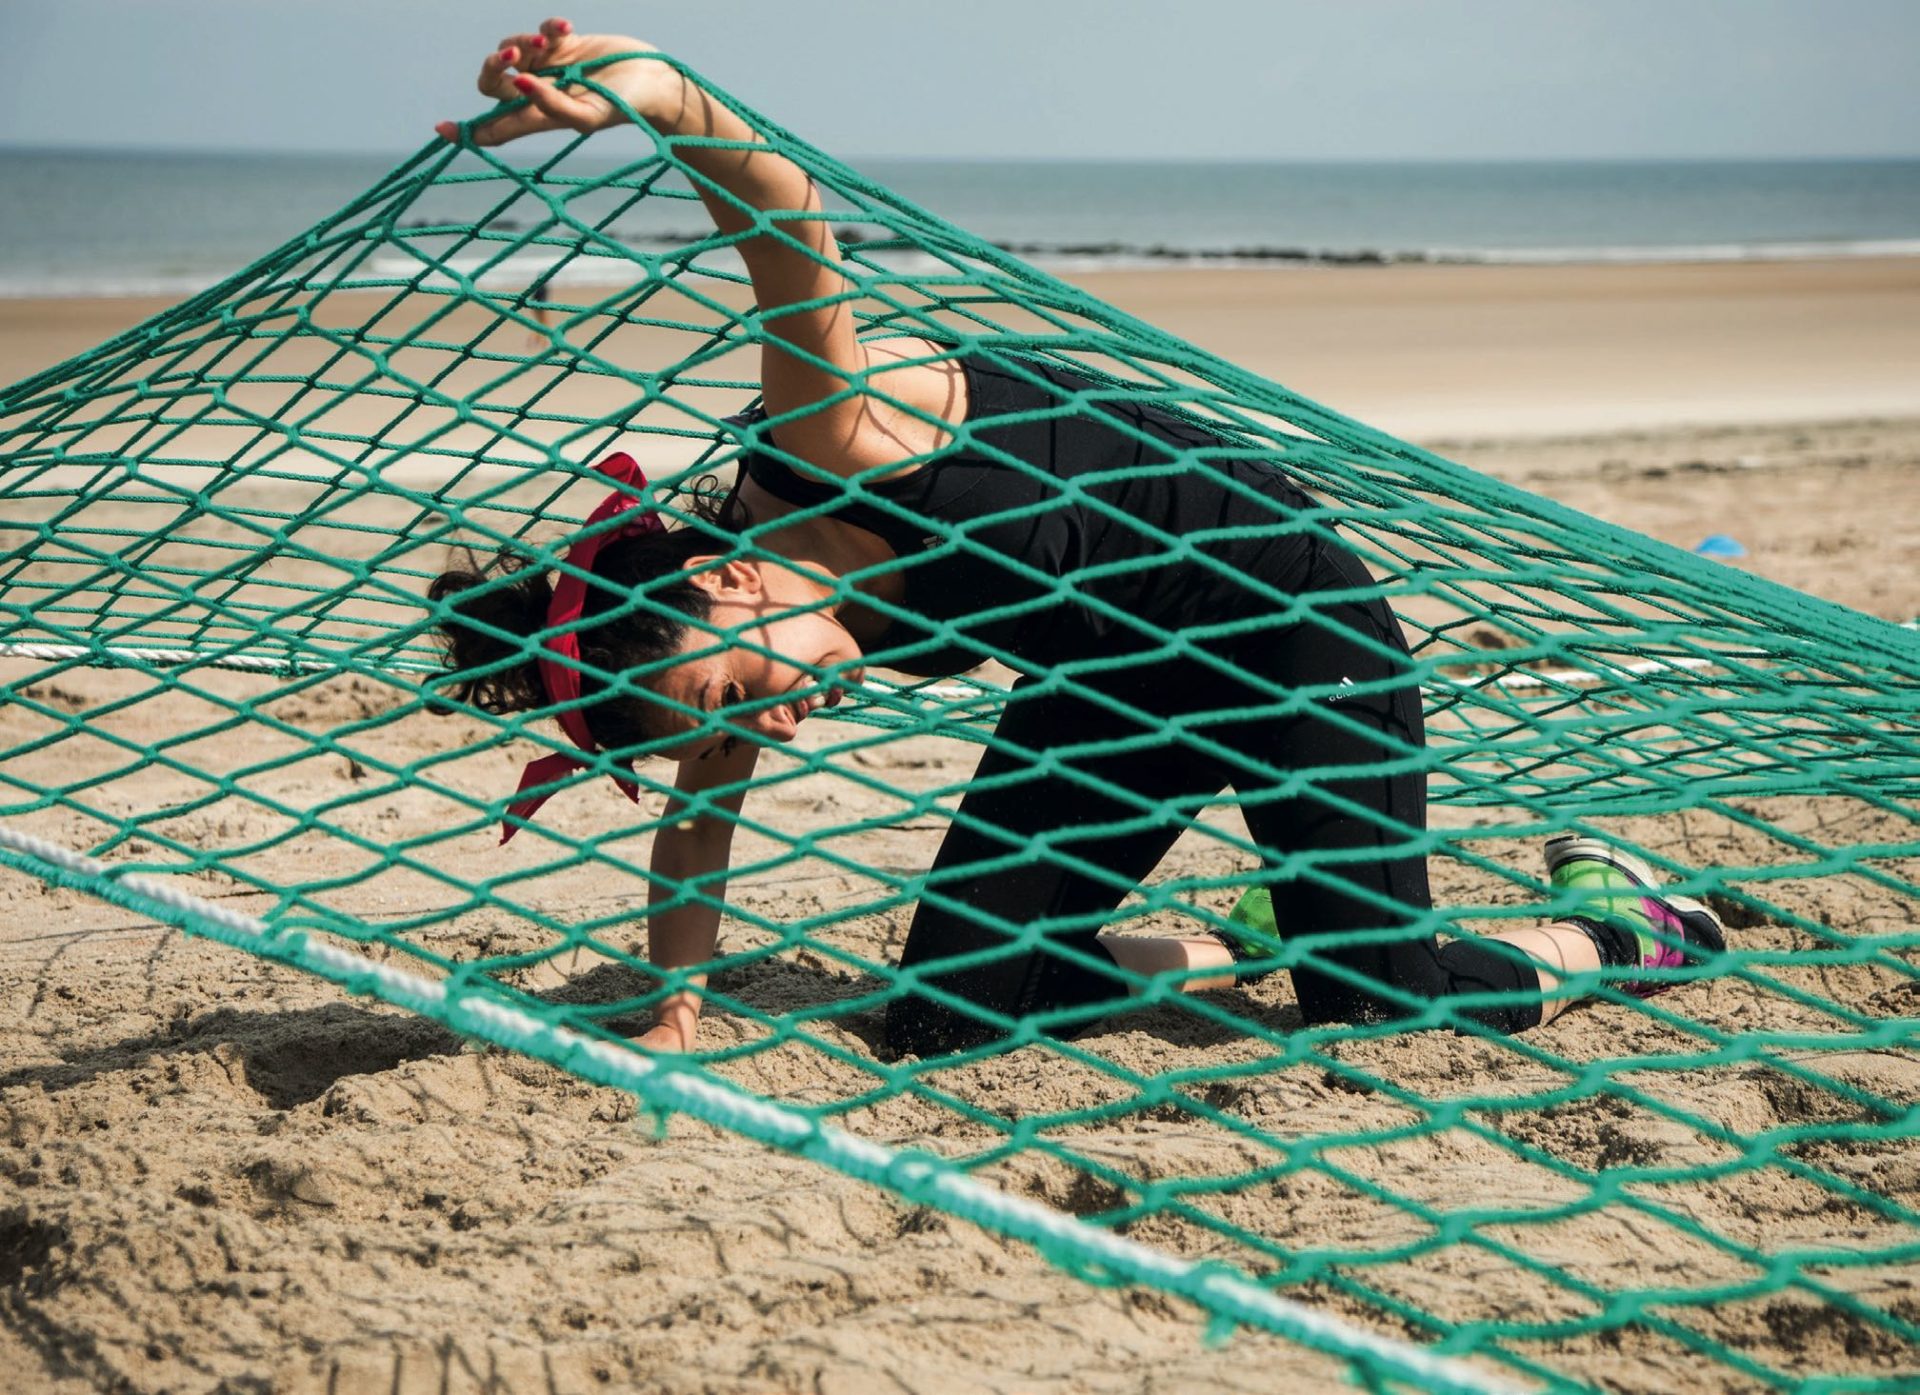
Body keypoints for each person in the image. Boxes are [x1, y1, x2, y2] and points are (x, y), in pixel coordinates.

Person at [429, 19, 1725, 1057]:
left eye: (731, 696)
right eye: (717, 725)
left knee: (1380, 1007)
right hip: (1118, 684)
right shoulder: (733, 648)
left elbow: (777, 211)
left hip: (1286, 623)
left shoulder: (829, 436)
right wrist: (675, 1010)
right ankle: (1254, 933)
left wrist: (647, 88)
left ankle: (1626, 925)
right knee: (946, 1017)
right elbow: (696, 829)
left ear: (724, 578)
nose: (765, 729)